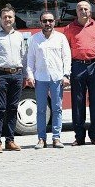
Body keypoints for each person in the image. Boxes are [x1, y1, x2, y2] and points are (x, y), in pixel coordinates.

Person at [25, 10, 71, 149]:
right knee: (41, 110)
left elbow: (66, 57)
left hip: (57, 78)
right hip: (40, 78)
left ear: (54, 22)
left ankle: (56, 137)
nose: (48, 23)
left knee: (57, 108)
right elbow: (30, 60)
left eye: (50, 21)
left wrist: (66, 75)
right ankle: (41, 138)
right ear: (40, 23)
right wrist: (30, 75)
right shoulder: (34, 39)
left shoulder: (61, 38)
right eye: (45, 21)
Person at [0, 5, 27, 153]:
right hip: (0, 75)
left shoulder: (19, 36)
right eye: (5, 17)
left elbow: (24, 56)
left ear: (14, 19)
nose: (7, 19)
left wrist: (24, 75)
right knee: (0, 109)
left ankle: (10, 140)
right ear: (0, 19)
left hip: (16, 74)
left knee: (13, 108)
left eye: (10, 17)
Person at [63, 0, 95, 145]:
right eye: (80, 9)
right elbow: (66, 49)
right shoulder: (69, 28)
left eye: (86, 9)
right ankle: (79, 136)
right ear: (76, 12)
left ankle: (94, 135)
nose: (83, 11)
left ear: (90, 11)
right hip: (77, 66)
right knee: (78, 102)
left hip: (94, 65)